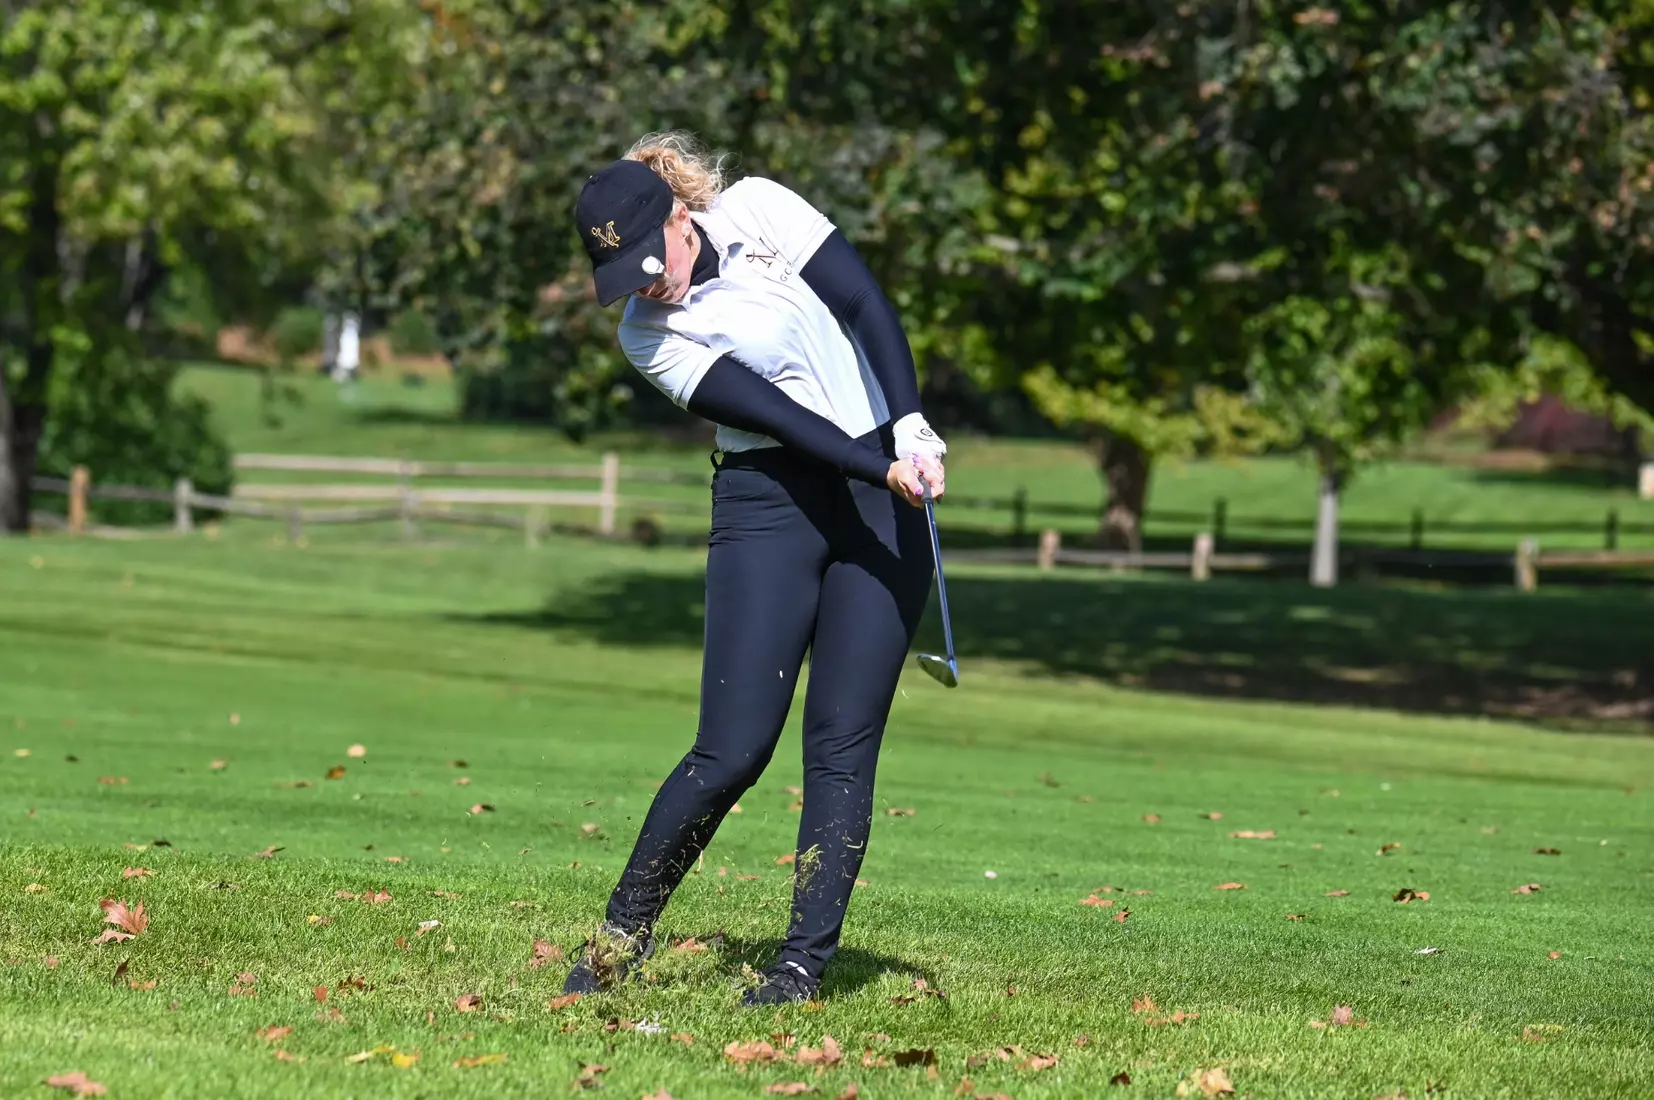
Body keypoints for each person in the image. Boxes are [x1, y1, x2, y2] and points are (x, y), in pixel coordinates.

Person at [560, 130, 950, 1006]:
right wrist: (878, 466)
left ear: (677, 216)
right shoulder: (647, 336)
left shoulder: (761, 210)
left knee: (841, 745)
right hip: (769, 502)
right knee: (731, 748)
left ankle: (800, 969)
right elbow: (772, 413)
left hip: (883, 488)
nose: (645, 287)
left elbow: (864, 302)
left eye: (648, 263)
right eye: (624, 279)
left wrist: (911, 424)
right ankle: (619, 940)